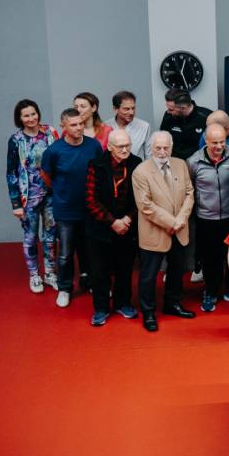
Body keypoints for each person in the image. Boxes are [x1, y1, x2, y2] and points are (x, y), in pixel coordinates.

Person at [132, 131, 196, 331]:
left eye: (166, 147)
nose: (162, 151)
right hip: (155, 232)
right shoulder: (141, 171)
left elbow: (189, 193)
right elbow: (145, 205)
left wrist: (181, 219)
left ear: (172, 146)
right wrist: (172, 222)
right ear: (151, 148)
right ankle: (148, 312)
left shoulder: (181, 164)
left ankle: (172, 303)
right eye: (158, 148)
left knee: (177, 271)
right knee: (149, 275)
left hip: (180, 230)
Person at [41, 108, 104, 307]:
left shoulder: (93, 145)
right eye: (73, 125)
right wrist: (61, 191)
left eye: (81, 124)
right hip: (66, 209)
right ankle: (65, 288)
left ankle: (93, 283)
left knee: (92, 249)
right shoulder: (54, 151)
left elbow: (101, 171)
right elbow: (46, 176)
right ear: (64, 126)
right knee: (65, 253)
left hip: (91, 208)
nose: (79, 128)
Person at [84, 129, 141, 326]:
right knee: (99, 271)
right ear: (109, 147)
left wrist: (128, 219)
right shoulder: (96, 164)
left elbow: (142, 197)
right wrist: (113, 222)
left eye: (128, 145)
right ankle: (101, 308)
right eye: (120, 146)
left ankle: (123, 303)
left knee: (125, 268)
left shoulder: (137, 163)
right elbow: (91, 200)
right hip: (101, 227)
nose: (125, 150)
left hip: (127, 225)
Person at [7, 99, 59, 293]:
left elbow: (60, 158)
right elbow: (11, 173)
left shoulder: (50, 133)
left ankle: (50, 273)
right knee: (30, 237)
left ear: (38, 113)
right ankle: (34, 275)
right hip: (28, 198)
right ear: (20, 118)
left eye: (33, 114)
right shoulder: (16, 139)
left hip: (51, 194)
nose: (31, 118)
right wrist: (16, 204)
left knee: (51, 236)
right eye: (26, 115)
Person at [188, 124, 229, 312]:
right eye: (215, 142)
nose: (219, 146)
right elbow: (189, 189)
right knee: (210, 259)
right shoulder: (193, 161)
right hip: (205, 218)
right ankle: (210, 292)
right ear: (206, 141)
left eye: (222, 142)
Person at [159, 89, 211, 160]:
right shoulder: (168, 116)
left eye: (171, 109)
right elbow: (163, 140)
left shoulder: (206, 117)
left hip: (198, 162)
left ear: (183, 108)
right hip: (174, 162)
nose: (168, 112)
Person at [112, 90, 151, 159]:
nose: (131, 112)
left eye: (133, 108)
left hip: (138, 166)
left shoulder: (144, 126)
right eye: (126, 109)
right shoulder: (105, 127)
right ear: (115, 109)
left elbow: (149, 156)